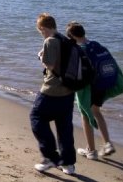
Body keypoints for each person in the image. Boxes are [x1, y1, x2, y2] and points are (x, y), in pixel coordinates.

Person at [66, 21, 121, 160]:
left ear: (71, 36)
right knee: (96, 111)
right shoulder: (96, 45)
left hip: (88, 89)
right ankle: (107, 143)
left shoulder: (79, 49)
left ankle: (91, 150)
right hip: (102, 86)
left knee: (85, 115)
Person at [30, 13, 76, 175]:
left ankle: (50, 157)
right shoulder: (66, 39)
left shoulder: (50, 41)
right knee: (64, 127)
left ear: (43, 28)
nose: (41, 33)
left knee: (36, 118)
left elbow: (50, 64)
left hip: (51, 90)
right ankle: (68, 164)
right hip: (69, 91)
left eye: (40, 31)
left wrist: (41, 56)